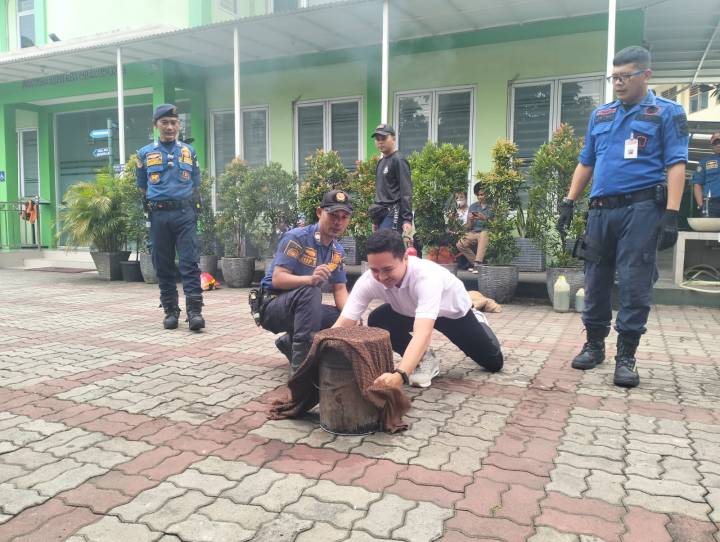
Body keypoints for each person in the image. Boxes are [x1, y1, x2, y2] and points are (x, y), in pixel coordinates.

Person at [557, 46, 688, 388]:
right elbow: (586, 162)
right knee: (595, 279)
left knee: (634, 281)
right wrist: (569, 201)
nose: (618, 83)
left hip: (641, 210)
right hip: (601, 211)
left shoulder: (667, 112)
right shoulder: (601, 115)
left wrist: (672, 213)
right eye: (614, 77)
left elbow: (676, 164)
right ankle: (594, 345)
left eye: (625, 76)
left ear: (646, 75)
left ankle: (626, 356)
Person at [333, 229, 503, 389]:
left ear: (405, 258)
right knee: (378, 320)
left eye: (388, 269)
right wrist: (323, 347)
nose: (381, 277)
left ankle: (479, 320)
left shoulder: (426, 277)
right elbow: (344, 323)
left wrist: (400, 375)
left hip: (451, 314)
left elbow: (423, 333)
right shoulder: (368, 281)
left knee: (494, 363)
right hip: (410, 311)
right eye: (374, 270)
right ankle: (424, 359)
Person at [258, 190, 352, 375]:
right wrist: (310, 279)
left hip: (302, 305)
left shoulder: (337, 251)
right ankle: (301, 371)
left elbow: (340, 289)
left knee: (343, 318)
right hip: (272, 305)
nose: (338, 222)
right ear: (319, 212)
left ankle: (289, 342)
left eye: (344, 217)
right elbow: (278, 278)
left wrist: (353, 317)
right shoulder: (297, 237)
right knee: (311, 291)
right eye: (333, 215)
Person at [136, 104, 205, 331]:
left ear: (179, 125)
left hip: (184, 214)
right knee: (162, 264)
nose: (169, 127)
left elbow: (196, 183)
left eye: (173, 123)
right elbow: (142, 187)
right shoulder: (145, 153)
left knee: (189, 263)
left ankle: (194, 313)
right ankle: (170, 311)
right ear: (156, 125)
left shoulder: (189, 151)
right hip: (158, 216)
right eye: (164, 122)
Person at [370, 124, 413, 242]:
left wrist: (407, 219)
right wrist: (375, 220)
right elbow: (380, 191)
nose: (380, 142)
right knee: (380, 247)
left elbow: (406, 191)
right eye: (377, 139)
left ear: (393, 138)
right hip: (381, 214)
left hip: (394, 213)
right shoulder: (381, 162)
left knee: (385, 245)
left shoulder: (399, 160)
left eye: (384, 138)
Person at [456, 182, 493, 273]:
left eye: (482, 194)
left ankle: (478, 263)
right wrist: (471, 220)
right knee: (460, 244)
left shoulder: (493, 206)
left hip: (487, 232)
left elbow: (497, 224)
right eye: (478, 195)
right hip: (474, 232)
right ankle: (477, 265)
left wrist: (484, 219)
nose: (481, 197)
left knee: (484, 233)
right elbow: (469, 226)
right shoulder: (473, 206)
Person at [692, 132, 720, 217]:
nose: (718, 145)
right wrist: (701, 206)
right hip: (711, 204)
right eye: (716, 142)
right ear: (712, 145)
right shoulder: (704, 162)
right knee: (709, 226)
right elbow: (697, 185)